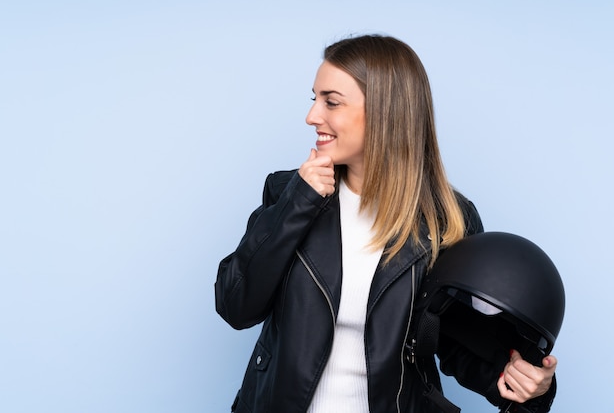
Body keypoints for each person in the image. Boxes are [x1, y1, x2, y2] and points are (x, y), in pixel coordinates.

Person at [215, 34, 557, 413]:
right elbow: (236, 304)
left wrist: (526, 381)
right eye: (314, 99)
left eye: (332, 101)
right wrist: (298, 204)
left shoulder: (445, 220)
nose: (312, 116)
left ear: (384, 110)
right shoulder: (287, 192)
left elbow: (462, 345)